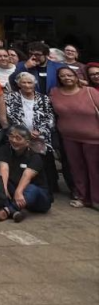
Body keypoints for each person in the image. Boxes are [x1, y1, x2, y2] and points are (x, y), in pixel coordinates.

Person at [0, 125, 52, 222]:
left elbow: (27, 176)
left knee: (31, 189)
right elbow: (4, 169)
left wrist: (19, 192)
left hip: (37, 197)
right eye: (11, 136)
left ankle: (8, 210)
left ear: (27, 142)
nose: (14, 140)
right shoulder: (5, 149)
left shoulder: (35, 157)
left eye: (18, 138)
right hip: (15, 192)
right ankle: (14, 212)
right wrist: (3, 189)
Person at [49, 65, 99, 209]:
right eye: (62, 76)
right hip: (69, 137)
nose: (66, 78)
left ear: (77, 77)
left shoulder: (90, 91)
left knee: (95, 170)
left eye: (69, 75)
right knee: (77, 169)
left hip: (93, 138)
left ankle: (96, 200)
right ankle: (82, 197)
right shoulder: (54, 92)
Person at [5, 70, 57, 193]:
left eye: (30, 82)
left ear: (34, 84)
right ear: (18, 84)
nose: (27, 85)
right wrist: (26, 132)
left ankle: (48, 188)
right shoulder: (11, 97)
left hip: (41, 137)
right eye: (24, 82)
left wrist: (39, 131)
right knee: (25, 161)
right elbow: (10, 115)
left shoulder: (44, 98)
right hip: (20, 135)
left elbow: (50, 117)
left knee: (44, 161)